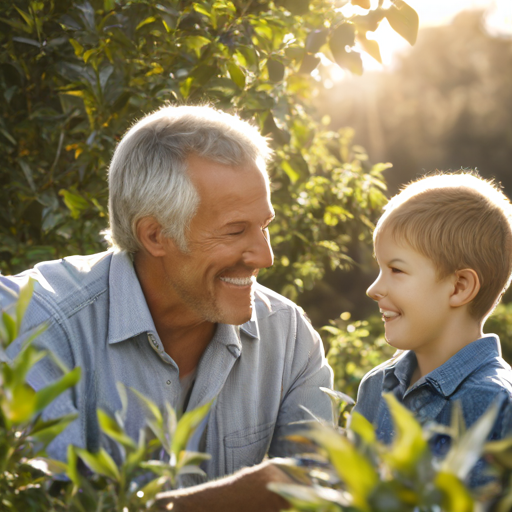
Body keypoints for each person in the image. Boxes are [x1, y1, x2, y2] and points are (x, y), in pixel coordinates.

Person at [0, 105, 333, 510]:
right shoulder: (31, 323)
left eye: (264, 226)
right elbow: (41, 505)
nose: (266, 256)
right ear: (155, 235)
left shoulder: (288, 334)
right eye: (235, 230)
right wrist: (231, 500)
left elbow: (322, 496)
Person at [353, 172, 512, 486]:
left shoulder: (500, 404)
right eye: (379, 269)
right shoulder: (376, 387)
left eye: (396, 269)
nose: (373, 289)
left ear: (459, 287)